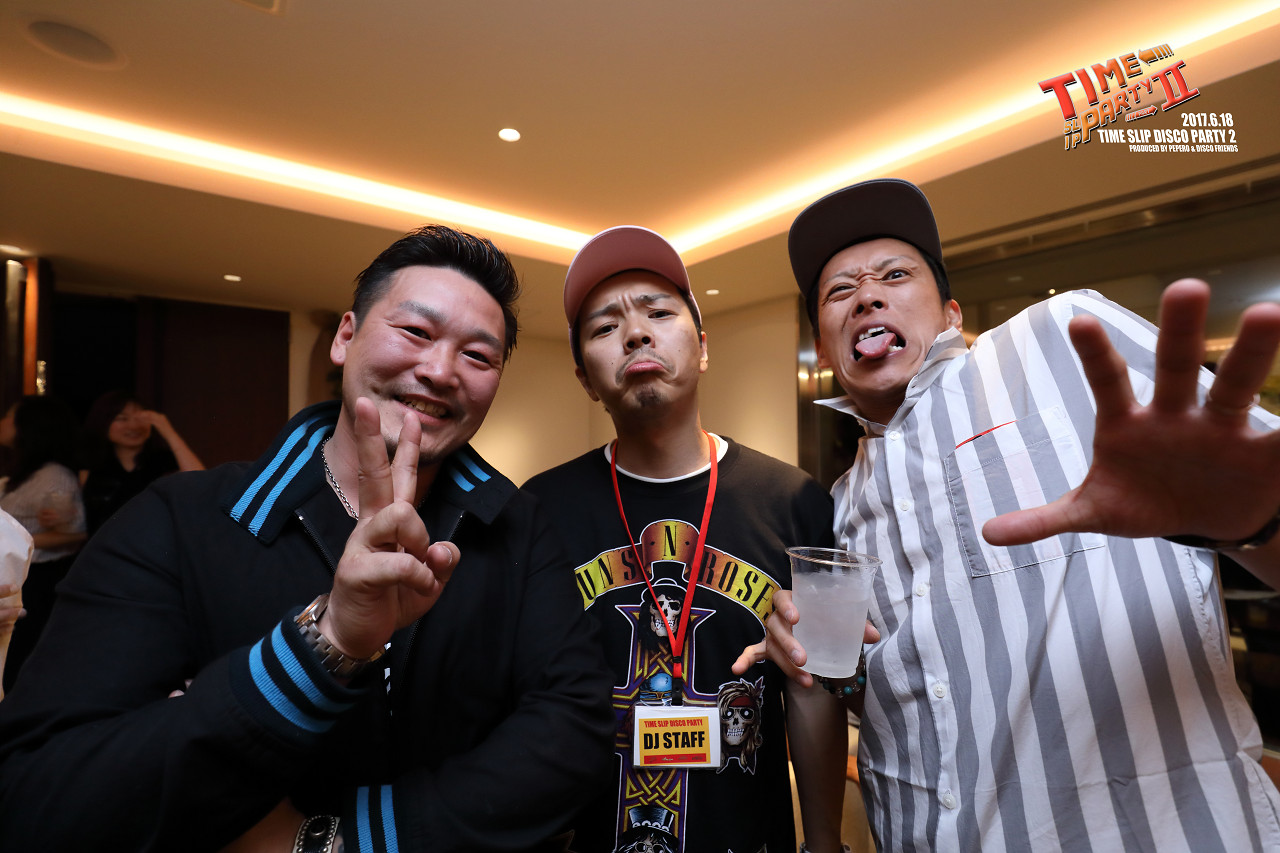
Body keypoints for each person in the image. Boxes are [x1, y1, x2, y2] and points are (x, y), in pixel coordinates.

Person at [0, 225, 614, 852]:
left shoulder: (518, 526)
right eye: (414, 331)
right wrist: (328, 643)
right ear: (345, 338)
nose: (439, 371)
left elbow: (574, 731)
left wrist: (342, 841)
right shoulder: (179, 520)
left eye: (478, 357)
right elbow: (42, 795)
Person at [734, 178, 1280, 851]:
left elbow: (1248, 496)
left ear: (952, 314)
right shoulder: (843, 506)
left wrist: (1255, 523)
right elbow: (888, 691)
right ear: (823, 351)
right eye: (839, 291)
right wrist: (821, 667)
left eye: (895, 275)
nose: (867, 296)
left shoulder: (1059, 347)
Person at [524, 226, 849, 853]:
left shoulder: (793, 501)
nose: (635, 333)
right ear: (585, 378)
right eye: (605, 326)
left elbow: (813, 689)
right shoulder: (539, 509)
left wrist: (825, 843)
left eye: (658, 313)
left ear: (702, 347)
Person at [0, 395, 87, 693]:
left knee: (20, 664)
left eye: (10, 416)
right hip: (22, 579)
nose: (3, 422)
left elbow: (75, 533)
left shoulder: (54, 476)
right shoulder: (25, 474)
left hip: (38, 580)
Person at [80, 390, 205, 534]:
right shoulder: (91, 467)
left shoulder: (164, 462)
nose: (134, 426)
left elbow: (201, 485)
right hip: (105, 545)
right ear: (103, 422)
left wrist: (167, 430)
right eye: (122, 418)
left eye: (140, 418)